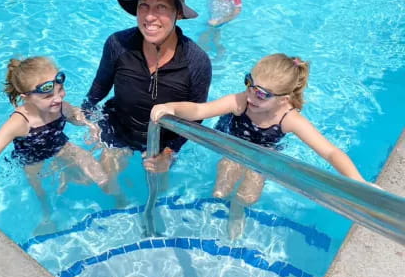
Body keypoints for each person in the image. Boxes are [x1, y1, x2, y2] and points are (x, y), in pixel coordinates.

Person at [151, 53, 378, 239]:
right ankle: (216, 213)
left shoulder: (289, 119)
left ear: (284, 98)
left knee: (248, 196)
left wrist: (358, 183)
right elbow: (200, 110)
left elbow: (330, 152)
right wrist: (172, 107)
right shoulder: (241, 101)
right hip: (232, 144)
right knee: (220, 191)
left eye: (261, 94)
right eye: (250, 84)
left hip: (262, 154)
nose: (251, 96)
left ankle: (237, 210)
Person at [0, 56, 108, 233]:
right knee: (42, 191)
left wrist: (92, 127)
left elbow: (75, 115)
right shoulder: (19, 122)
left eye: (60, 89)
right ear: (26, 98)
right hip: (32, 159)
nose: (58, 98)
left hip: (60, 145)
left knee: (97, 170)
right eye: (48, 96)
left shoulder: (60, 105)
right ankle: (48, 217)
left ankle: (116, 197)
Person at [82, 0, 212, 182]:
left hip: (162, 143)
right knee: (103, 180)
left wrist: (169, 155)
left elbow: (195, 119)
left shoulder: (197, 63)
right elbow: (98, 90)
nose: (150, 17)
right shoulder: (118, 45)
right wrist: (88, 120)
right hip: (118, 128)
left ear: (178, 13)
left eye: (161, 6)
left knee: (161, 190)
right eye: (144, 5)